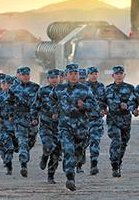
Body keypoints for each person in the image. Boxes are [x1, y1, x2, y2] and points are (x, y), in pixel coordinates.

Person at [49, 63, 96, 191]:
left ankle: (72, 166)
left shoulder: (85, 89)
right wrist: (55, 111)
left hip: (81, 126)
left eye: (76, 74)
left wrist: (84, 105)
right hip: (65, 125)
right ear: (66, 75)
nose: (74, 76)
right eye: (71, 74)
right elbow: (51, 101)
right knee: (68, 150)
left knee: (78, 152)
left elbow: (93, 105)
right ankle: (70, 178)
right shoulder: (59, 89)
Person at [103, 65, 135, 178]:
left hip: (125, 119)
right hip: (113, 119)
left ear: (124, 75)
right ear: (113, 76)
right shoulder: (107, 89)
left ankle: (118, 161)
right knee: (116, 140)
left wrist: (131, 107)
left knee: (123, 143)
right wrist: (103, 109)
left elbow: (134, 102)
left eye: (121, 74)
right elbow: (102, 102)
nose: (119, 76)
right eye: (117, 74)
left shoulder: (131, 88)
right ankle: (114, 166)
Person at [8, 66, 40, 177]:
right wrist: (11, 116)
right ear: (19, 76)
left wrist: (37, 117)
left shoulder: (36, 87)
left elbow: (39, 103)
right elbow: (9, 103)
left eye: (27, 75)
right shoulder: (13, 89)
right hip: (19, 119)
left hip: (32, 119)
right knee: (23, 142)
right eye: (23, 75)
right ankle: (23, 165)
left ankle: (24, 154)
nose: (26, 77)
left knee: (30, 142)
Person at [31, 69, 62, 184]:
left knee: (56, 153)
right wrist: (34, 118)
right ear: (48, 79)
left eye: (56, 77)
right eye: (52, 77)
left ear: (60, 78)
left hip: (60, 127)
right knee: (49, 146)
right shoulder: (42, 91)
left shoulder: (64, 91)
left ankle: (51, 175)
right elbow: (35, 106)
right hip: (46, 125)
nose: (54, 79)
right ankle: (44, 156)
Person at [0, 75, 18, 175]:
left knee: (16, 146)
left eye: (11, 84)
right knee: (8, 146)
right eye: (7, 84)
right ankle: (9, 166)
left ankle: (8, 160)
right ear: (2, 85)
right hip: (3, 125)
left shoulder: (18, 97)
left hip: (16, 126)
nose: (9, 86)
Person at [85, 66, 106, 175]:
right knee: (82, 144)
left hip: (97, 119)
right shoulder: (82, 87)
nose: (94, 76)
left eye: (96, 73)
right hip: (83, 121)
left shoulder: (102, 86)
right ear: (88, 75)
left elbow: (104, 101)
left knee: (95, 141)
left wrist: (104, 109)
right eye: (92, 74)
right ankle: (80, 162)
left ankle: (94, 164)